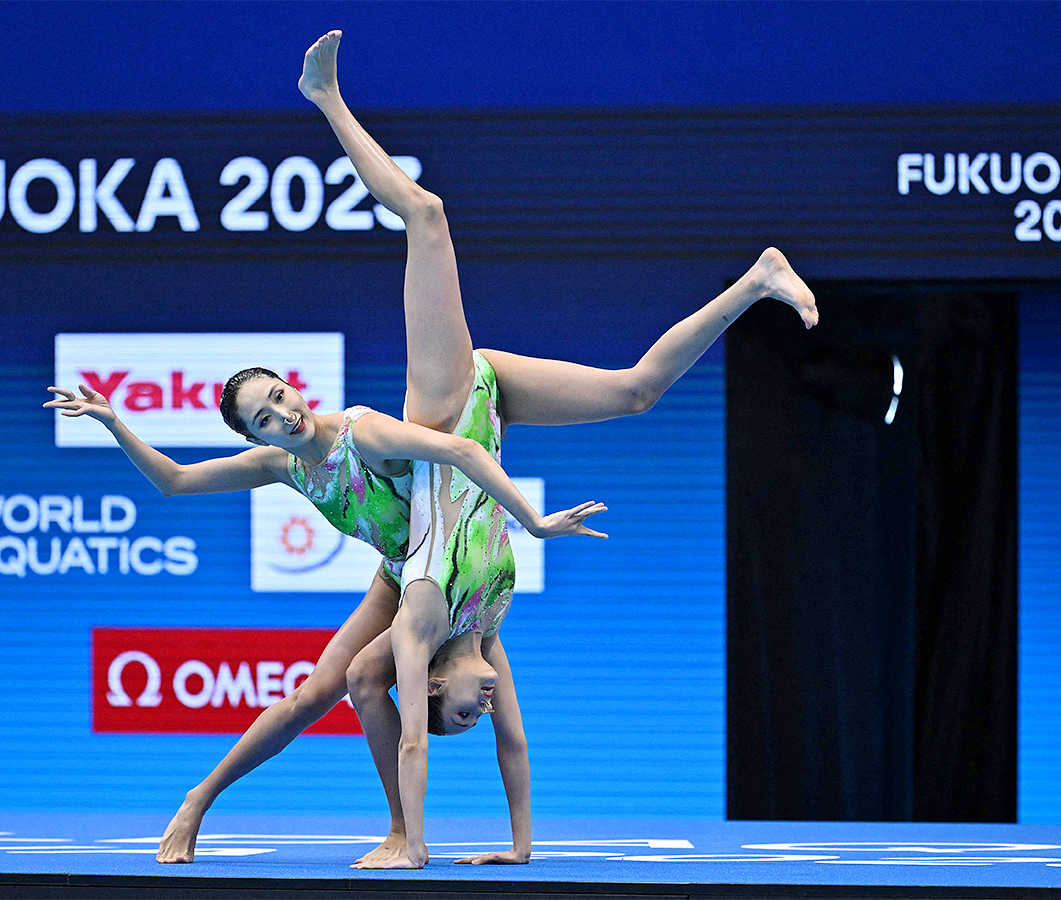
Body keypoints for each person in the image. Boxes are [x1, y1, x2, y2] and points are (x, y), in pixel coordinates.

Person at [50, 28, 817, 868]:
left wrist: (532, 520)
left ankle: (324, 98)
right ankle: (208, 800)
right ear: (259, 438)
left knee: (435, 221)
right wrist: (114, 419)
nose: (283, 413)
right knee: (323, 691)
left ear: (295, 389)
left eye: (281, 394)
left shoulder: (361, 430)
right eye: (266, 417)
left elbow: (460, 457)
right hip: (412, 560)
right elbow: (170, 481)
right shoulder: (290, 473)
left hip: (451, 414)